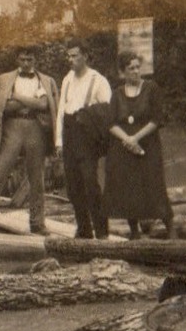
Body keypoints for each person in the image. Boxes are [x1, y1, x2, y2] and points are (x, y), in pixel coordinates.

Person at [0, 47, 57, 234]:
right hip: (12, 128)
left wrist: (18, 98)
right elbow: (5, 107)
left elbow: (44, 104)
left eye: (30, 59)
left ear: (35, 59)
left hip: (35, 128)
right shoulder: (4, 79)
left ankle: (37, 223)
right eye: (22, 59)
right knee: (0, 171)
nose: (26, 63)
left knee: (37, 178)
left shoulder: (45, 80)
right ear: (17, 60)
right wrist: (31, 102)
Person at [103, 52, 174, 239]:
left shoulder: (151, 88)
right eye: (131, 68)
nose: (136, 71)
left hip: (147, 146)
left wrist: (136, 138)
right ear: (123, 72)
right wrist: (127, 139)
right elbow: (110, 123)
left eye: (137, 67)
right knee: (128, 187)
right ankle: (134, 233)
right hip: (124, 147)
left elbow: (157, 120)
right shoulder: (117, 93)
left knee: (155, 185)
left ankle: (171, 230)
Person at [54, 41, 112, 239]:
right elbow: (61, 110)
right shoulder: (67, 79)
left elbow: (107, 113)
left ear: (85, 56)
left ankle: (102, 231)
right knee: (73, 186)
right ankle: (84, 229)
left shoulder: (99, 80)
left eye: (74, 56)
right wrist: (59, 142)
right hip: (70, 133)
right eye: (68, 56)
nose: (70, 60)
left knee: (90, 183)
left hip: (87, 136)